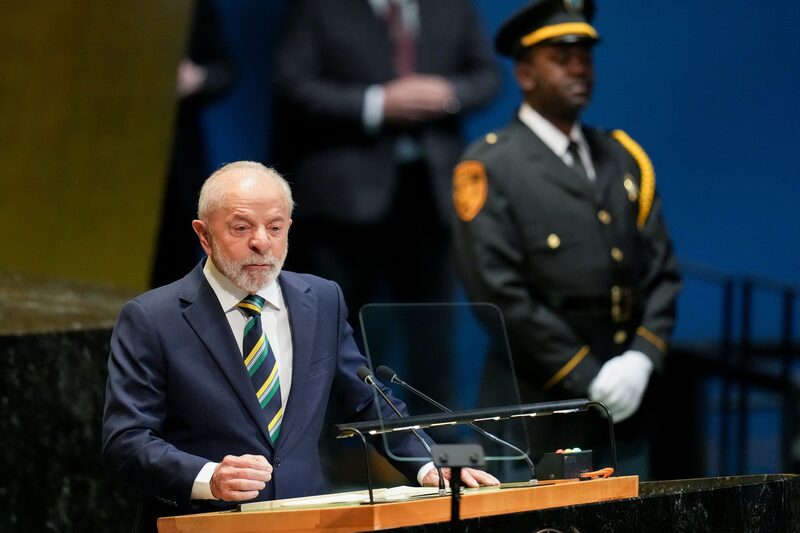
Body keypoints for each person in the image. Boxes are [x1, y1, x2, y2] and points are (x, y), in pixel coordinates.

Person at [102, 161, 498, 532]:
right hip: (203, 521)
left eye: (275, 228)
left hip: (305, 518)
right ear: (203, 235)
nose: (261, 243)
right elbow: (126, 440)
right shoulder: (152, 318)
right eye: (241, 229)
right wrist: (209, 478)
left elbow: (366, 399)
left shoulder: (322, 300)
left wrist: (431, 463)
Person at [452, 0, 681, 476]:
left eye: (585, 57)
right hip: (536, 401)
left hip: (626, 401)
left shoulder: (623, 157)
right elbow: (497, 293)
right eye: (561, 58)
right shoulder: (491, 166)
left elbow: (662, 273)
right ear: (525, 73)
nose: (579, 69)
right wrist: (587, 375)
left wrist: (641, 358)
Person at [272, 0, 500, 359]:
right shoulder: (317, 8)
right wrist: (375, 104)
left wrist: (450, 95)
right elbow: (293, 83)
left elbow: (487, 76)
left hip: (432, 197)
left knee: (434, 344)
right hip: (344, 204)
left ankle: (432, 415)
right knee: (336, 342)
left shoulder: (452, 6)